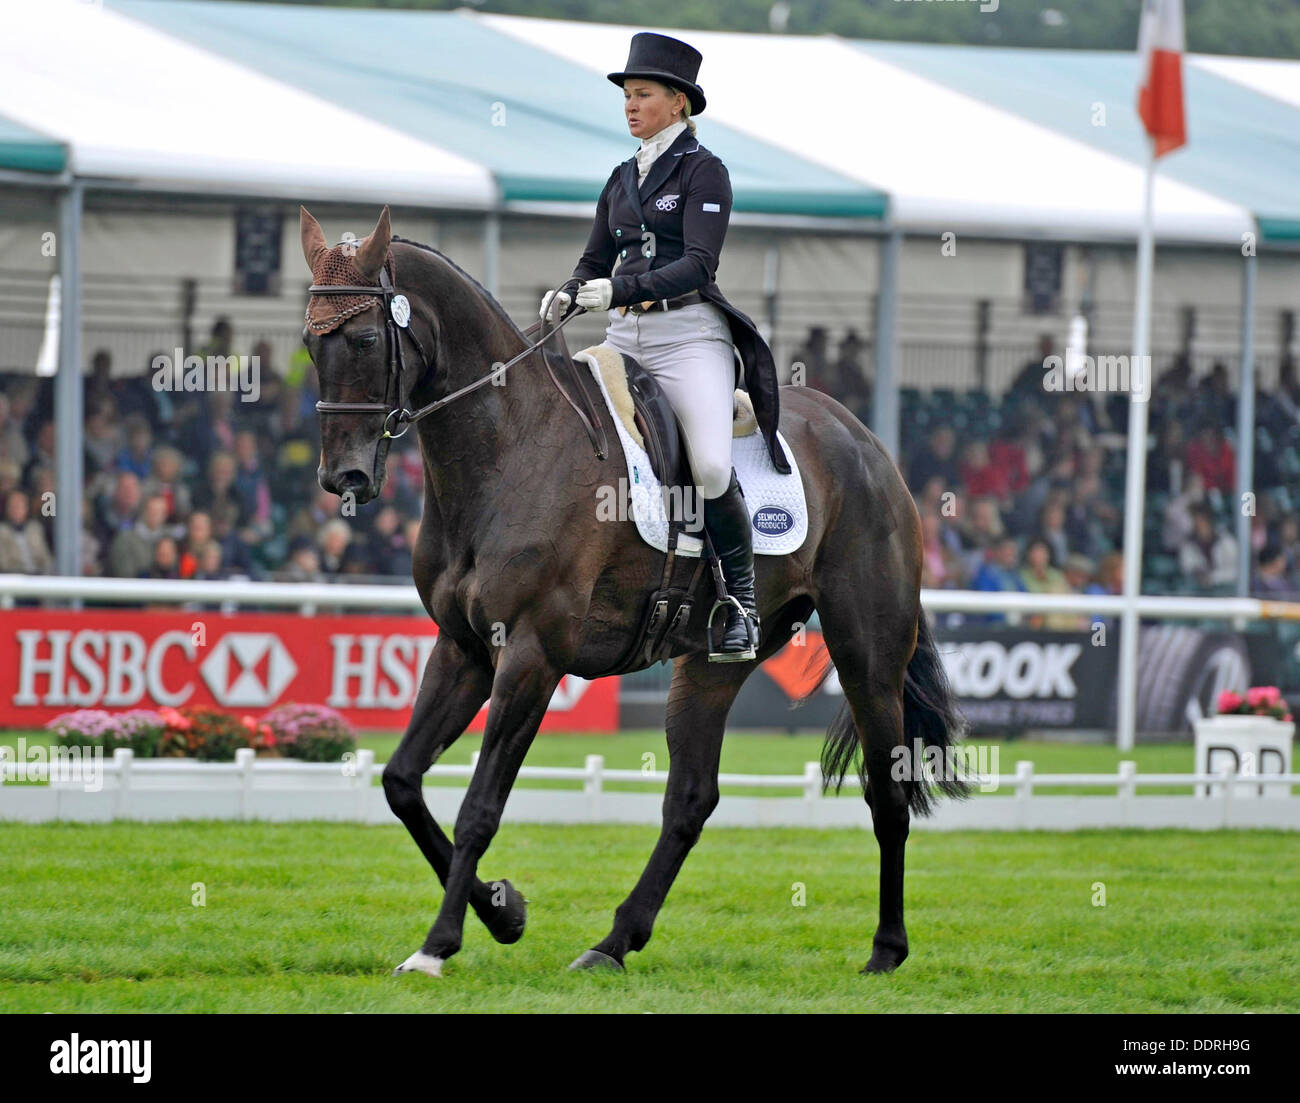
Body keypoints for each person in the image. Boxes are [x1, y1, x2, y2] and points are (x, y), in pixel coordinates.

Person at [541, 32, 789, 661]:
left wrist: (616, 288)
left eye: (643, 94)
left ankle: (740, 604)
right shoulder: (621, 177)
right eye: (626, 95)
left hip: (687, 337)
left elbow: (699, 265)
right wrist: (570, 290)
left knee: (708, 466)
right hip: (622, 336)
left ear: (678, 103)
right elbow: (593, 257)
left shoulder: (705, 172)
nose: (630, 105)